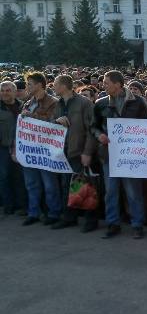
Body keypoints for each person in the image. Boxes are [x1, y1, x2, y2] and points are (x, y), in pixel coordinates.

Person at [92, 70, 147, 239]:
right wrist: (99, 135)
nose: (103, 85)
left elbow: (146, 127)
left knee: (133, 191)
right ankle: (112, 223)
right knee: (111, 191)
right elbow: (93, 126)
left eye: (106, 82)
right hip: (109, 154)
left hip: (130, 156)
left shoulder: (139, 102)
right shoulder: (101, 103)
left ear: (118, 84)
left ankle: (137, 224)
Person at [51, 74, 96, 231]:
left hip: (79, 151)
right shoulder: (58, 104)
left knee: (85, 188)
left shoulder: (84, 103)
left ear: (64, 86)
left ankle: (91, 221)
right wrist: (56, 121)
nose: (53, 87)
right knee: (67, 186)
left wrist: (87, 152)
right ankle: (69, 218)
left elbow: (92, 129)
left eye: (56, 84)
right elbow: (52, 124)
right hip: (64, 152)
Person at [21, 72, 63, 227]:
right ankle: (34, 212)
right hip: (30, 150)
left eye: (30, 84)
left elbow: (53, 123)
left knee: (49, 183)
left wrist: (32, 116)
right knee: (32, 183)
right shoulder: (28, 102)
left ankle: (54, 213)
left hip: (46, 151)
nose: (27, 87)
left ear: (40, 85)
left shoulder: (53, 102)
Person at [0, 80, 24, 216]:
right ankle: (8, 205)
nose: (4, 93)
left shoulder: (24, 107)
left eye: (8, 90)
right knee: (4, 176)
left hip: (21, 147)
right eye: (2, 90)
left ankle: (21, 205)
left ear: (15, 92)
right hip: (3, 147)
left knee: (19, 176)